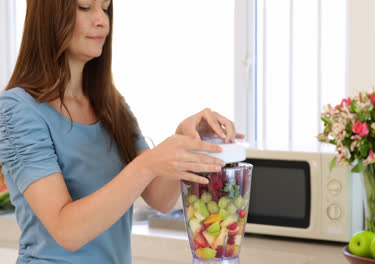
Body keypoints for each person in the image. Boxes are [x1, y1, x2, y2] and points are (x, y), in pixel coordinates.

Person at [0, 0, 242, 263]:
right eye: (84, 7)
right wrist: (147, 164)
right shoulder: (18, 109)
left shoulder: (110, 104)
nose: (102, 20)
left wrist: (186, 139)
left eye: (105, 8)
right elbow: (66, 230)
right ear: (48, 16)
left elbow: (159, 198)